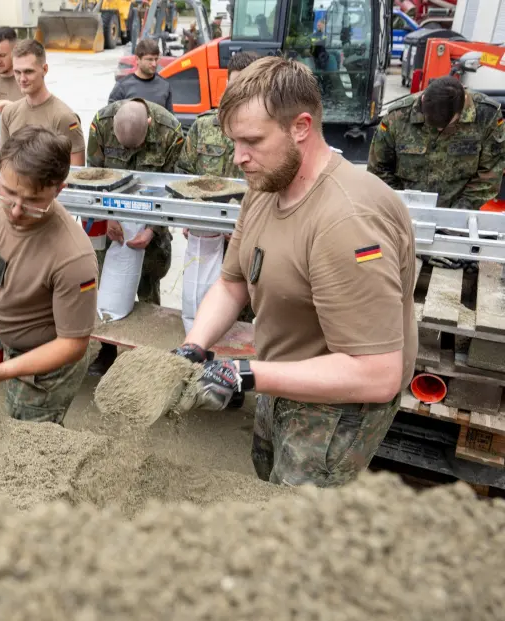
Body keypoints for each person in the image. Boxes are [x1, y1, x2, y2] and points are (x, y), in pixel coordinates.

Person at [172, 57, 417, 489]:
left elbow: (377, 374)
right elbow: (232, 284)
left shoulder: (347, 222)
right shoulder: (266, 186)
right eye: (234, 141)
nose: (238, 158)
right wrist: (195, 346)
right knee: (266, 482)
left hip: (338, 406)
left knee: (297, 523)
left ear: (301, 127)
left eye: (251, 141)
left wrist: (246, 375)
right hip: (279, 373)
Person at [0, 126, 98, 425]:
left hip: (51, 360)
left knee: (28, 426)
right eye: (9, 193)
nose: (15, 211)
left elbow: (72, 344)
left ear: (58, 189)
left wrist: (5, 372)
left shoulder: (74, 256)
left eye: (32, 201)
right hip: (12, 340)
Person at [86, 98, 184, 375]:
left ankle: (147, 357)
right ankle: (107, 351)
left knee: (148, 288)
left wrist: (153, 230)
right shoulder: (101, 125)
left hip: (151, 221)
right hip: (112, 224)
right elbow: (94, 177)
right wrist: (107, 218)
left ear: (149, 125)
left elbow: (174, 188)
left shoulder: (171, 132)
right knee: (109, 288)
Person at [175, 51, 258, 327]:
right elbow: (184, 175)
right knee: (201, 309)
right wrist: (189, 219)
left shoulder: (267, 134)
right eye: (236, 84)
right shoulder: (203, 126)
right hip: (205, 239)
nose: (241, 93)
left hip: (247, 242)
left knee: (242, 320)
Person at [368, 77, 505, 210]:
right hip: (404, 214)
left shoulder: (487, 116)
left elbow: (490, 174)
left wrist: (457, 214)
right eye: (432, 124)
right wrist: (401, 208)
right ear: (423, 100)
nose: (439, 130)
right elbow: (378, 169)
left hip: (460, 217)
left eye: (447, 125)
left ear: (461, 109)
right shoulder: (397, 117)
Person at [0, 39, 86, 166]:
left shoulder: (64, 117)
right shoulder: (9, 113)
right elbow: (4, 164)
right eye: (17, 72)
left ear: (44, 69)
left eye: (28, 71)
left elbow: (76, 172)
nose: (22, 79)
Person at [108, 39, 173, 113]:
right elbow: (109, 118)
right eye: (149, 59)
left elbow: (171, 120)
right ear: (137, 59)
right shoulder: (123, 87)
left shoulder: (164, 86)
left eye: (156, 59)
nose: (154, 64)